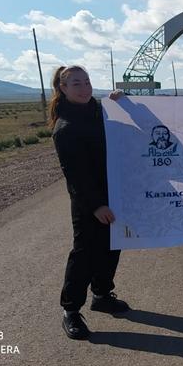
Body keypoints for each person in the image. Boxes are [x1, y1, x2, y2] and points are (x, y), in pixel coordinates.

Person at [49, 65, 130, 340]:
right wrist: (96, 206)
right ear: (63, 88)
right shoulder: (65, 128)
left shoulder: (97, 111)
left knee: (112, 245)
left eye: (86, 82)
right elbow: (76, 176)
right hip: (88, 202)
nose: (84, 88)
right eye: (76, 84)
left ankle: (102, 295)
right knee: (84, 253)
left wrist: (118, 102)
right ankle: (70, 310)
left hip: (113, 193)